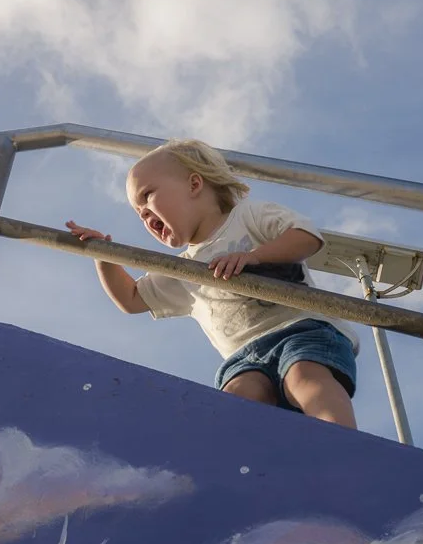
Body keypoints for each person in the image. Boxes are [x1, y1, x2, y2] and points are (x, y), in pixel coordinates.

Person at [65, 139, 360, 428]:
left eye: (147, 195)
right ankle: (246, 468)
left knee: (303, 376)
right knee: (239, 396)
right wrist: (104, 256)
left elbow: (307, 237)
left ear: (194, 185)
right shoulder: (182, 268)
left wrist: (254, 257)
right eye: (137, 211)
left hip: (302, 330)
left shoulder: (248, 215)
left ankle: (343, 443)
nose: (143, 213)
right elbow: (130, 299)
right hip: (245, 357)